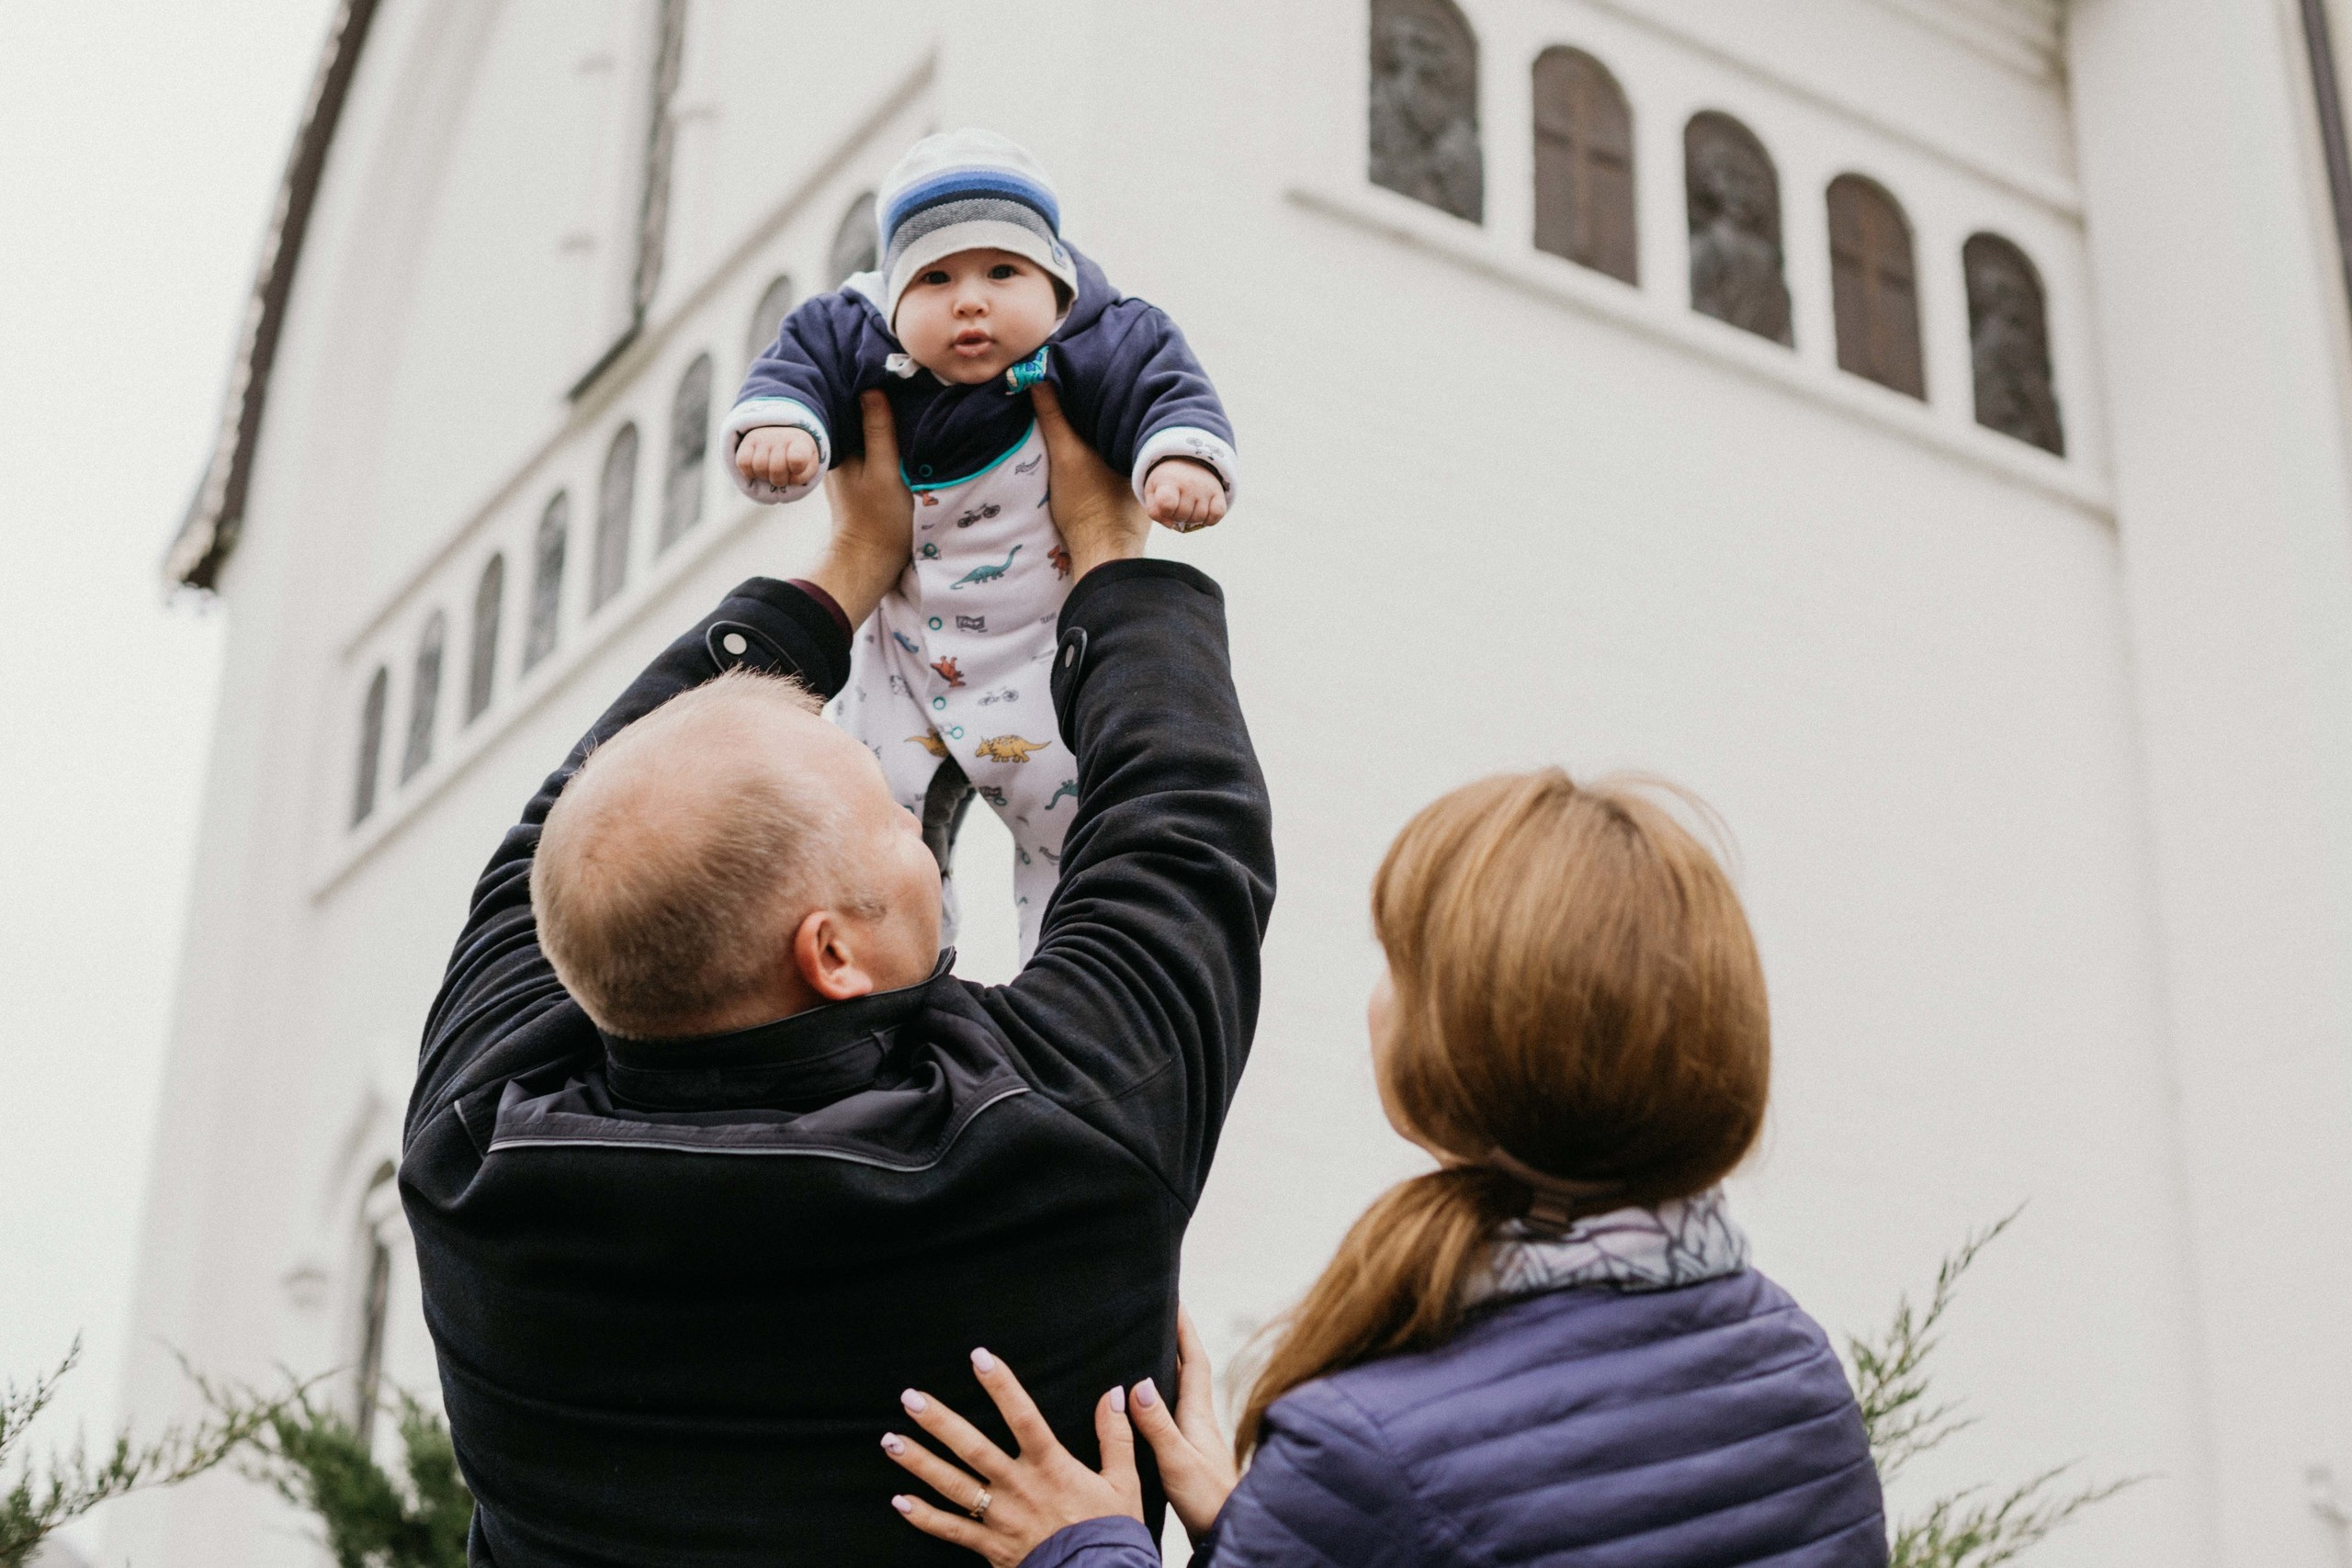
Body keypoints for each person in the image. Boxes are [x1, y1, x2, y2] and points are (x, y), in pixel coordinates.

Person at [398, 385, 1274, 1566]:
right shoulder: (1058, 1142)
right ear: (831, 951)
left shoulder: (468, 1157)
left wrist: (847, 566)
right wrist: (1112, 550)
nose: (919, 825)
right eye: (893, 821)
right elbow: (1182, 833)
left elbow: (553, 849)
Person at [877, 773, 1889, 1567]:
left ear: (1479, 1049)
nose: (1376, 997)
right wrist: (1273, 1533)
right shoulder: (1792, 1363)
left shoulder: (1366, 1450)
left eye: (1400, 962)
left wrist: (1079, 1547)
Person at [726, 128, 1238, 958]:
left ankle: (1066, 967)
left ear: (1056, 278)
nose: (971, 301)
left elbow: (1165, 386)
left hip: (1043, 650)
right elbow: (793, 373)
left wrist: (1178, 455)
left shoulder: (1101, 334)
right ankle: (900, 976)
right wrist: (784, 431)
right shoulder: (853, 332)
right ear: (890, 294)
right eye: (936, 278)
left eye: (1003, 272)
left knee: (1073, 824)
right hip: (901, 652)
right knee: (862, 815)